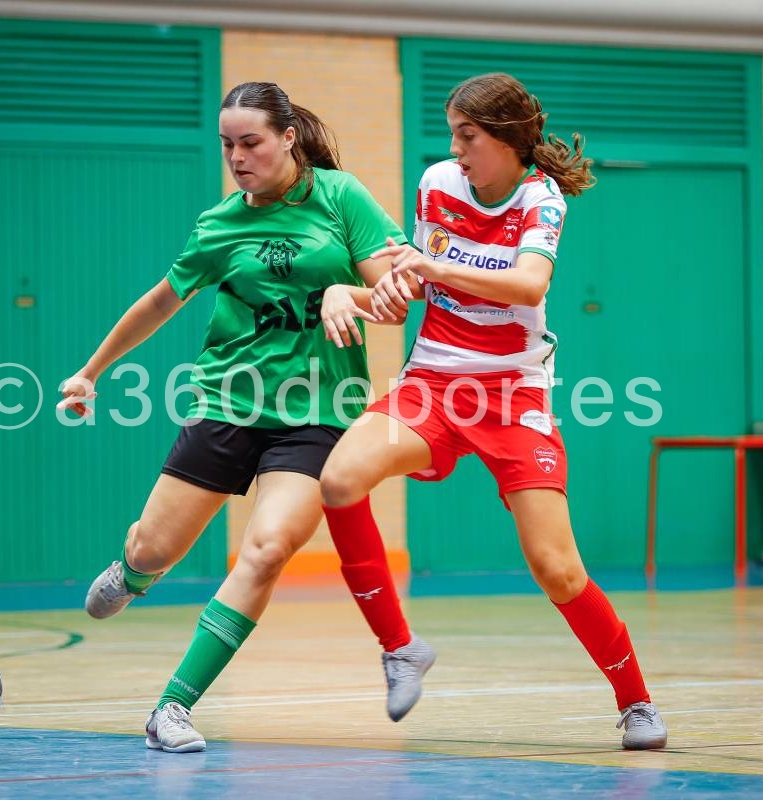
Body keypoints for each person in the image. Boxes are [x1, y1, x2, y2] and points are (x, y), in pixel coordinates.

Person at [318, 72, 668, 750]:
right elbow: (411, 290)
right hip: (432, 383)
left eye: (467, 135)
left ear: (506, 139)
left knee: (557, 568)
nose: (455, 149)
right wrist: (350, 295)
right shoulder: (437, 184)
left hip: (513, 394)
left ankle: (636, 702)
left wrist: (433, 268)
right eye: (452, 134)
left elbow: (528, 284)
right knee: (338, 479)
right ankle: (401, 648)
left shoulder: (540, 198)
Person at [59, 82, 404, 753]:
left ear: (288, 138)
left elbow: (395, 295)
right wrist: (90, 372)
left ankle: (172, 707)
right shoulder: (219, 224)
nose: (238, 158)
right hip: (227, 401)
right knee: (154, 548)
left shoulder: (342, 198)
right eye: (227, 146)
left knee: (268, 549)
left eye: (251, 143)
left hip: (319, 414)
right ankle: (134, 571)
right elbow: (161, 301)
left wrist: (349, 295)